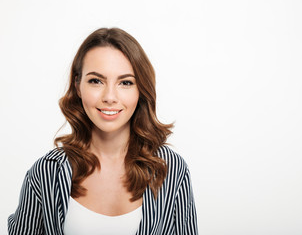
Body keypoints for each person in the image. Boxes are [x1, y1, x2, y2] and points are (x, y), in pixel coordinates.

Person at [8, 27, 198, 235]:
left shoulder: (171, 170)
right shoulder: (47, 172)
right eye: (96, 81)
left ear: (140, 90)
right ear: (78, 85)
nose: (110, 97)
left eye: (125, 82)